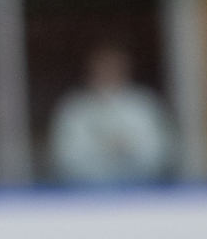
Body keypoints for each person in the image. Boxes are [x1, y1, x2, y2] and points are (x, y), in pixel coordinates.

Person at [48, 42, 173, 186]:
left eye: (114, 67)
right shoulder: (74, 108)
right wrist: (101, 151)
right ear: (90, 70)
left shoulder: (144, 105)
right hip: (85, 193)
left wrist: (129, 150)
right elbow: (64, 157)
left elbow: (160, 153)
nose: (107, 72)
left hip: (142, 191)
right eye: (102, 66)